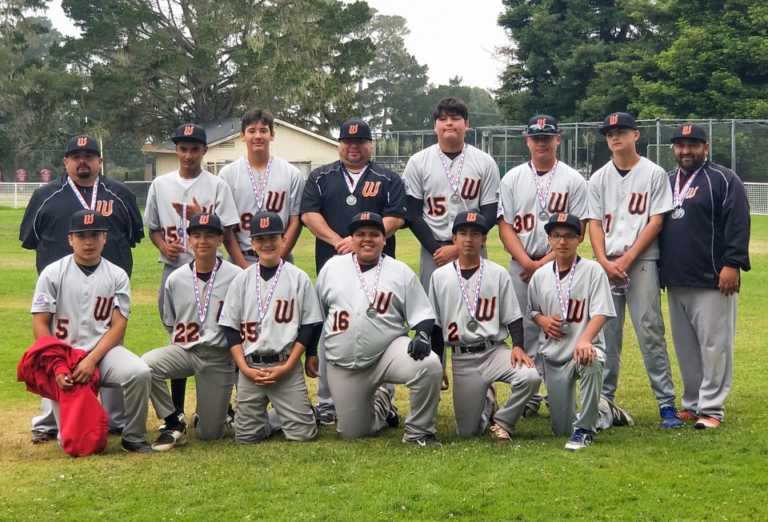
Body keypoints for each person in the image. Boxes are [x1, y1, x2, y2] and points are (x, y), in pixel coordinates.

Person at [20, 134, 144, 444]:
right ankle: (49, 422)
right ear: (65, 162)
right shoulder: (46, 196)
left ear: (100, 160)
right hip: (61, 295)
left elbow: (130, 236)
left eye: (90, 155)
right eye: (76, 156)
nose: (83, 160)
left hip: (109, 291)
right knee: (55, 352)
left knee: (112, 350)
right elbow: (31, 239)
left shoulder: (120, 194)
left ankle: (116, 420)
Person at [300, 117, 407, 425]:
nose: (353, 148)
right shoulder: (321, 177)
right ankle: (327, 400)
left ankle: (384, 398)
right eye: (348, 142)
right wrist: (339, 242)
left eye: (360, 142)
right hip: (334, 265)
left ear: (370, 144)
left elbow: (396, 217)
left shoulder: (387, 178)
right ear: (340, 144)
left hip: (378, 268)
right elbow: (309, 215)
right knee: (331, 326)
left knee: (382, 324)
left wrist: (357, 242)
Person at [586, 112, 683, 429]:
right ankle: (604, 404)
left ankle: (666, 403)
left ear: (635, 135)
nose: (615, 137)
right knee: (607, 338)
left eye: (622, 131)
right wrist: (602, 260)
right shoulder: (599, 177)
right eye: (610, 133)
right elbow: (595, 223)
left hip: (641, 262)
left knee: (650, 332)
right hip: (608, 262)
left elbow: (657, 221)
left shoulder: (653, 173)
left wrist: (625, 260)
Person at [29, 209, 153, 453]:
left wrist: (92, 359)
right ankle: (55, 422)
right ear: (70, 239)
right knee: (71, 442)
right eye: (81, 235)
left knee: (140, 372)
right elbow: (40, 323)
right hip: (65, 356)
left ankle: (134, 436)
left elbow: (119, 324)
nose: (88, 241)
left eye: (95, 235)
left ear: (105, 238)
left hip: (104, 354)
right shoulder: (52, 273)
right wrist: (57, 364)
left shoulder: (117, 275)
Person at [315, 212, 443, 446]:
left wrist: (422, 334)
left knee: (429, 364)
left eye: (374, 234)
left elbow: (423, 313)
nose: (367, 239)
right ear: (351, 239)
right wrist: (312, 353)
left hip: (387, 353)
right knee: (353, 433)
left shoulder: (399, 271)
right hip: (345, 364)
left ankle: (419, 432)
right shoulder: (332, 268)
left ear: (384, 239)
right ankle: (383, 402)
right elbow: (317, 315)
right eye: (360, 234)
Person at [144, 123, 240, 427]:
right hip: (176, 270)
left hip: (214, 274)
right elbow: (154, 228)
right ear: (176, 150)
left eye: (194, 149)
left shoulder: (217, 185)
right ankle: (176, 411)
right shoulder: (160, 184)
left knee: (220, 336)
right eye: (183, 148)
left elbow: (226, 231)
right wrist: (163, 244)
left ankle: (221, 405)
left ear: (204, 151)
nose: (188, 154)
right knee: (179, 338)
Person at [659, 124, 751, 429]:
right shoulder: (667, 181)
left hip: (713, 278)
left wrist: (732, 263)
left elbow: (737, 222)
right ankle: (692, 402)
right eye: (680, 145)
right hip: (676, 277)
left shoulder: (724, 179)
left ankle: (712, 408)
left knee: (714, 345)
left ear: (705, 147)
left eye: (693, 145)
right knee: (686, 347)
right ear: (673, 148)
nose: (686, 151)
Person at [497, 114, 588, 415]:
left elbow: (580, 227)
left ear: (557, 139)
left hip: (560, 264)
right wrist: (526, 260)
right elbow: (505, 225)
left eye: (547, 138)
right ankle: (530, 394)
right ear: (527, 141)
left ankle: (558, 392)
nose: (541, 143)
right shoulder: (512, 178)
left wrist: (543, 262)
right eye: (536, 138)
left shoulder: (573, 179)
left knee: (557, 326)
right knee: (524, 327)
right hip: (520, 261)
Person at [428, 210, 541, 440]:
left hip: (493, 351)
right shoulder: (439, 277)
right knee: (467, 433)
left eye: (475, 234)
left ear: (484, 239)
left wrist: (518, 345)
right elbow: (436, 327)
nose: (469, 239)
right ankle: (487, 401)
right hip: (462, 358)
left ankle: (503, 422)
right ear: (454, 238)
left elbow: (513, 316)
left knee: (530, 377)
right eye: (463, 233)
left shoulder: (497, 273)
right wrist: (439, 364)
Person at [218, 211, 322, 443]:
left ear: (283, 239)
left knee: (303, 435)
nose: (267, 244)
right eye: (261, 239)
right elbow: (230, 329)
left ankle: (296, 413)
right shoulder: (242, 279)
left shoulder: (298, 277)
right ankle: (279, 417)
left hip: (286, 364)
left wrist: (289, 365)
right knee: (245, 438)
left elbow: (308, 326)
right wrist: (244, 368)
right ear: (252, 243)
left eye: (272, 237)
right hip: (251, 367)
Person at [142, 213, 242, 450]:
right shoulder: (176, 278)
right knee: (145, 366)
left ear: (220, 239)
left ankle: (212, 414)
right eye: (196, 235)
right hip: (186, 351)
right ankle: (173, 420)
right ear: (189, 240)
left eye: (209, 235)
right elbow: (170, 321)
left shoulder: (236, 276)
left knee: (210, 434)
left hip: (219, 358)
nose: (202, 241)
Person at [528, 213, 616, 450]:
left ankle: (585, 431)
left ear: (580, 239)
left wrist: (586, 340)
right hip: (554, 356)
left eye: (569, 236)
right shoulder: (540, 275)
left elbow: (603, 312)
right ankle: (605, 411)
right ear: (549, 239)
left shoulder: (593, 270)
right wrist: (543, 321)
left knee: (593, 360)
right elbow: (532, 311)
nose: (562, 242)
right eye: (556, 236)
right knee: (561, 428)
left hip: (583, 349)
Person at [219, 109, 305, 266]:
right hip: (241, 259)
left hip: (280, 257)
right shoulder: (228, 174)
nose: (257, 136)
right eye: (251, 131)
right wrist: (243, 267)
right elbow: (226, 227)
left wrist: (278, 259)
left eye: (263, 131)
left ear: (272, 135)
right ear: (242, 136)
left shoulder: (292, 173)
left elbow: (295, 221)